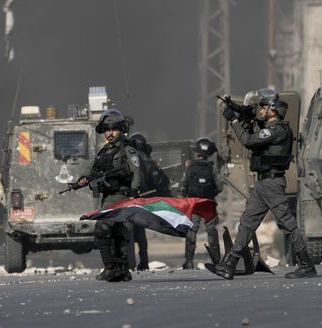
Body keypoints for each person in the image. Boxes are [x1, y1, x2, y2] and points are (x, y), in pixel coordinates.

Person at [208, 94, 317, 279]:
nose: (260, 111)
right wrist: (242, 115)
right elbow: (255, 138)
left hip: (272, 183)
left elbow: (249, 141)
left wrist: (233, 120)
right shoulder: (270, 128)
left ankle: (306, 265)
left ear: (272, 110)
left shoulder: (278, 129)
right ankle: (230, 264)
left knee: (287, 223)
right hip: (264, 183)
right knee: (247, 223)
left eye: (264, 108)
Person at [77, 109, 141, 282]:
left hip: (121, 196)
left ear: (121, 130)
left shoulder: (127, 150)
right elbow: (91, 167)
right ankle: (122, 269)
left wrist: (134, 192)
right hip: (107, 196)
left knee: (101, 230)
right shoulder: (104, 151)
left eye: (113, 129)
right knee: (118, 233)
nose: (110, 133)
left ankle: (110, 268)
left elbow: (136, 171)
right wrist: (82, 179)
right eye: (107, 130)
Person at [128, 133, 173, 271]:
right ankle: (144, 262)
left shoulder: (132, 161)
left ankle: (130, 263)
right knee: (140, 232)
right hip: (143, 202)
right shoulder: (150, 163)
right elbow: (161, 183)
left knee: (129, 231)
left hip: (132, 200)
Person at [180, 137, 223, 269]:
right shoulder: (212, 167)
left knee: (192, 231)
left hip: (194, 203)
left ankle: (189, 261)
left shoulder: (190, 166)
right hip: (209, 203)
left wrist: (184, 198)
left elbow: (184, 185)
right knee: (212, 231)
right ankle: (217, 261)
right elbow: (220, 186)